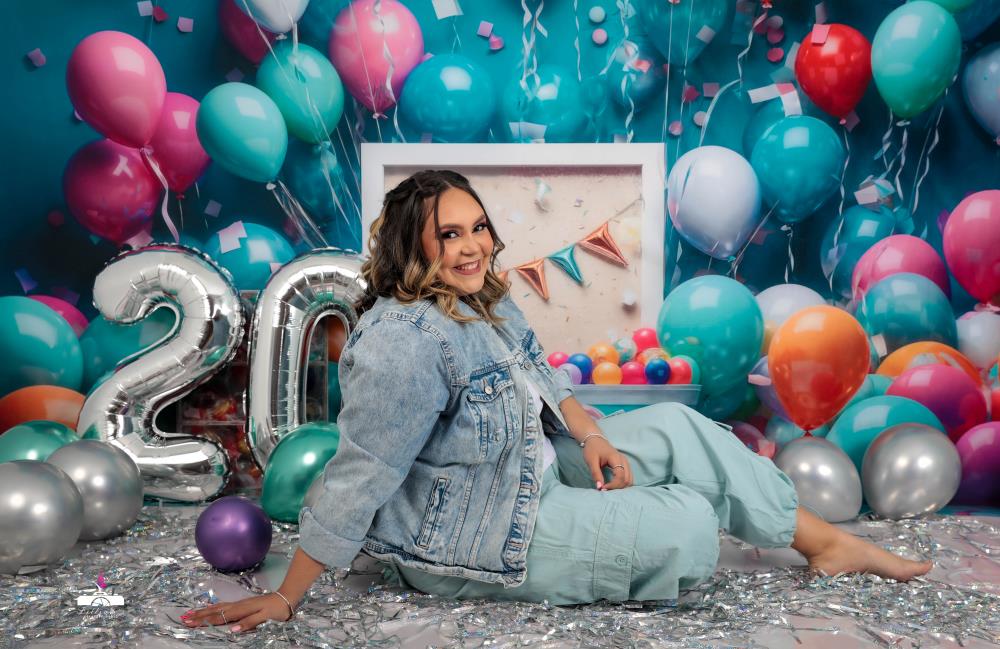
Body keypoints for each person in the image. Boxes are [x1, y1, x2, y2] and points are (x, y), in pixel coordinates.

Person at [182, 170, 931, 633]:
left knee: (677, 424)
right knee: (691, 524)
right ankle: (666, 513)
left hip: (525, 466)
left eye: (478, 227)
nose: (474, 246)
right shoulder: (402, 341)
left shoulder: (484, 299)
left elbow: (540, 368)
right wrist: (288, 596)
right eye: (450, 234)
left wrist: (586, 430)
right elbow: (362, 472)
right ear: (414, 247)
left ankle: (824, 544)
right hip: (471, 538)